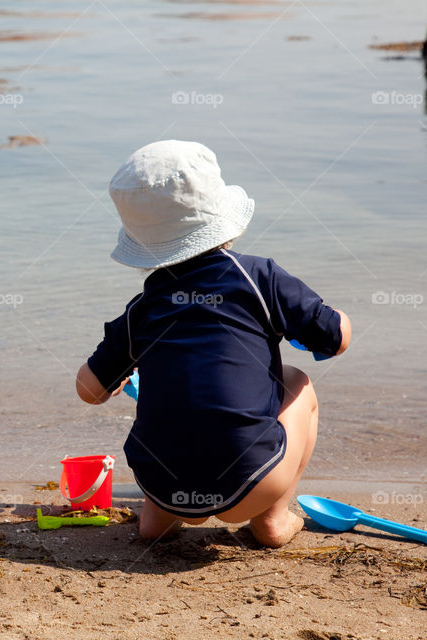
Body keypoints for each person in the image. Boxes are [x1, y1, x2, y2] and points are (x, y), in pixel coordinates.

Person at [76, 140, 351, 548]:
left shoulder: (143, 308)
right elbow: (336, 338)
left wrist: (117, 377)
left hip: (162, 481)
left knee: (169, 402)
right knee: (297, 380)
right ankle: (272, 518)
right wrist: (336, 319)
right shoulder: (259, 279)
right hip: (253, 481)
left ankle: (159, 521)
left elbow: (88, 390)